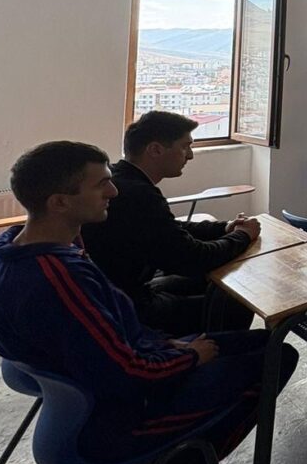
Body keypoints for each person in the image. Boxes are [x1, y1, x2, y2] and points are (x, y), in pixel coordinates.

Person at [0, 141, 298, 464]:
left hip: (125, 374)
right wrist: (188, 356)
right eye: (101, 184)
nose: (113, 192)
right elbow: (126, 372)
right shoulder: (57, 278)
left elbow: (114, 333)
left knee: (265, 342)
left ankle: (180, 463)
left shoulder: (14, 249)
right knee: (276, 357)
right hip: (114, 420)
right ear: (59, 202)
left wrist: (165, 344)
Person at [81, 111, 258, 335]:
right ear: (155, 149)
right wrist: (242, 236)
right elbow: (194, 258)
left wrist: (223, 228)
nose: (190, 155)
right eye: (185, 146)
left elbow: (167, 229)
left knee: (214, 285)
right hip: (130, 309)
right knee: (235, 301)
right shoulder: (138, 195)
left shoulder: (123, 177)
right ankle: (209, 356)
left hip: (119, 291)